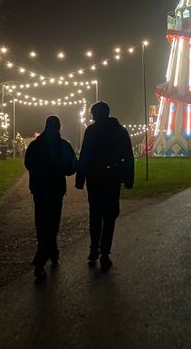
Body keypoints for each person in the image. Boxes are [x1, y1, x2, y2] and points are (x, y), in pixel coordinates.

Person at [75, 101, 134, 272]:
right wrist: (129, 178)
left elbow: (85, 155)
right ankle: (104, 252)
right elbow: (128, 157)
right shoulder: (120, 131)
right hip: (113, 179)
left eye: (93, 113)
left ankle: (94, 248)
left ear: (96, 114)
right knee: (110, 215)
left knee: (95, 214)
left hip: (95, 179)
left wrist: (80, 178)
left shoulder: (91, 132)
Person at [24, 116, 77, 279]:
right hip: (54, 189)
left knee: (42, 223)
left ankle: (50, 254)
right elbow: (72, 167)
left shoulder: (35, 145)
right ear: (59, 127)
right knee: (52, 223)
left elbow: (29, 164)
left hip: (41, 189)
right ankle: (43, 259)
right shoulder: (63, 145)